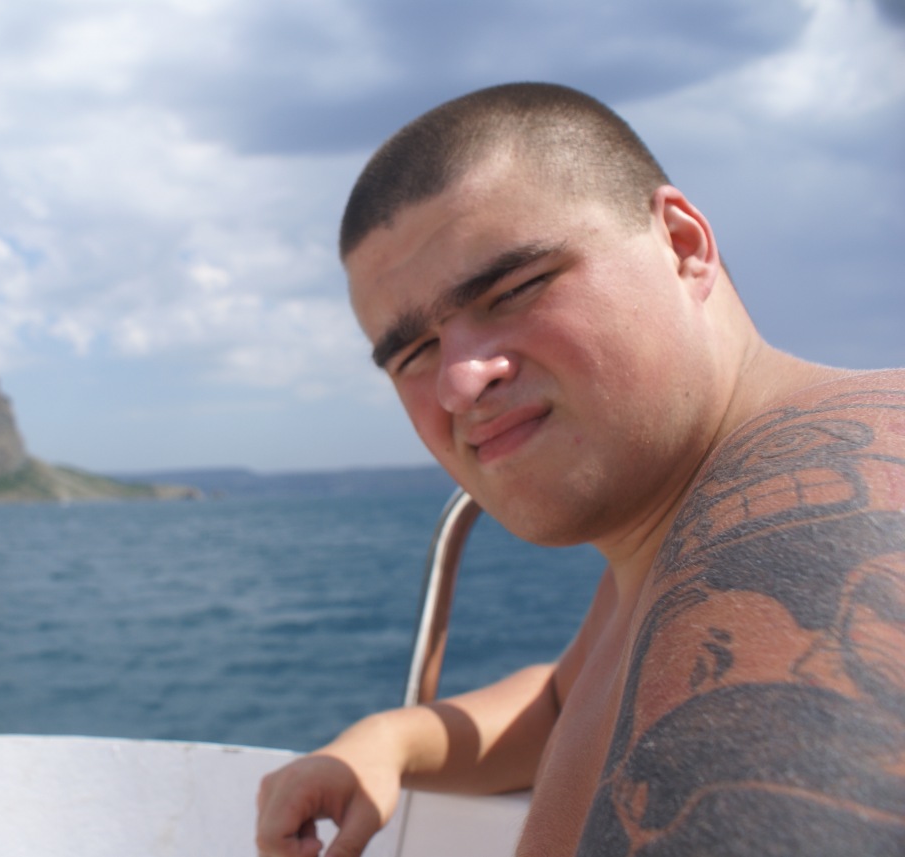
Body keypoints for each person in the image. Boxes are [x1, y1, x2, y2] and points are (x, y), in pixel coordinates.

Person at [255, 82, 905, 857]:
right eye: (413, 353)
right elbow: (566, 700)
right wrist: (392, 739)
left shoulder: (813, 523)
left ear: (683, 244)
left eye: (515, 289)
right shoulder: (677, 537)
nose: (459, 382)